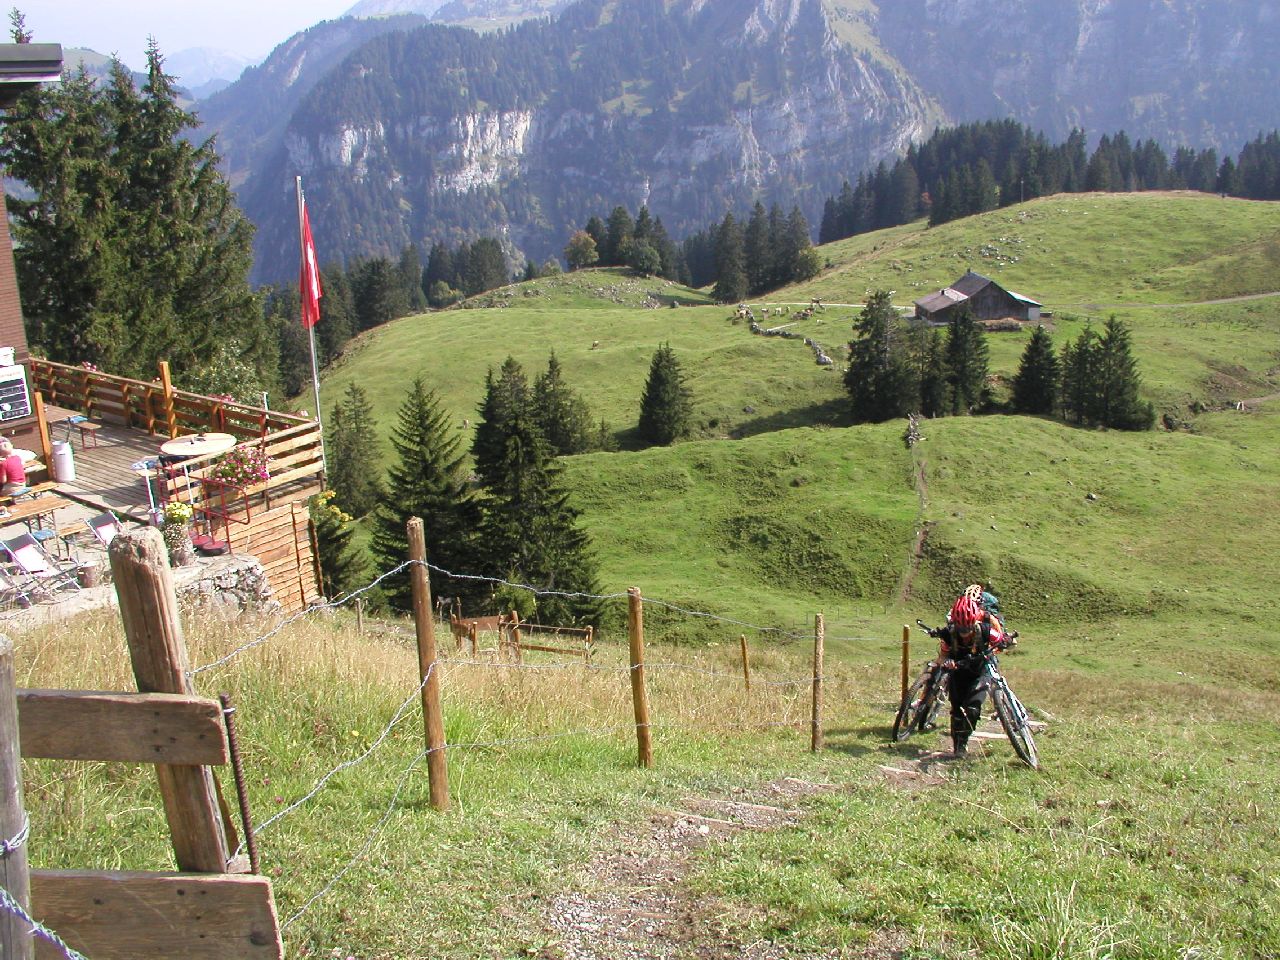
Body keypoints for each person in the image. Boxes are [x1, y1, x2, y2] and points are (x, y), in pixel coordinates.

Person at [935, 587, 1010, 756]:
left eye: (968, 628)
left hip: (979, 672)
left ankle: (964, 740)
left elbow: (1000, 639)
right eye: (961, 629)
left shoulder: (985, 629)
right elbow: (943, 655)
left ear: (974, 622)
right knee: (956, 710)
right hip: (958, 673)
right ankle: (957, 744)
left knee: (973, 708)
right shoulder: (948, 634)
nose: (965, 633)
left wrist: (1006, 641)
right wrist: (946, 662)